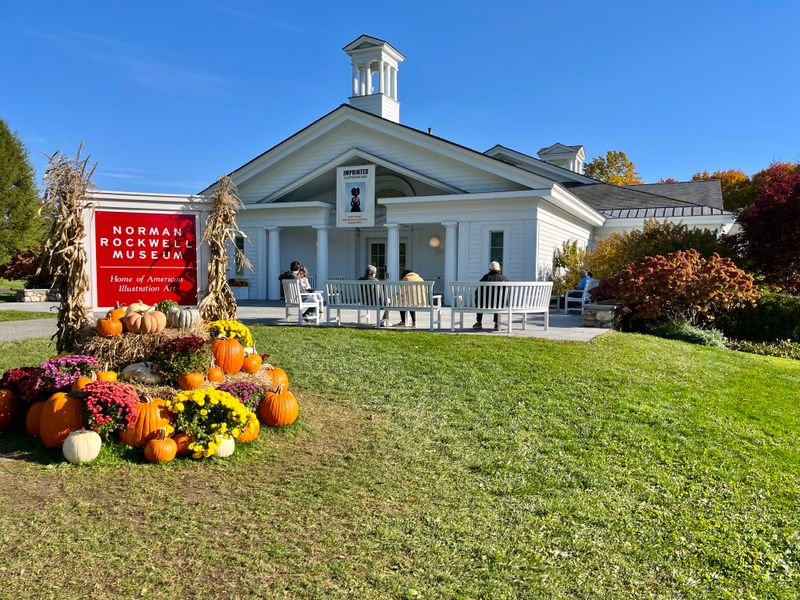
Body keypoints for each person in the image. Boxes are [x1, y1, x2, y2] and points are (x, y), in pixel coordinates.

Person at [473, 261, 509, 331]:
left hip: (485, 304)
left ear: (490, 269)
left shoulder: (485, 278)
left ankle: (479, 322)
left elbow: (477, 291)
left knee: (479, 299)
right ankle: (497, 323)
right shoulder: (505, 279)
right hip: (501, 305)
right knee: (499, 300)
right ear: (499, 269)